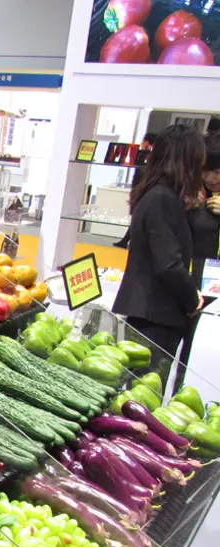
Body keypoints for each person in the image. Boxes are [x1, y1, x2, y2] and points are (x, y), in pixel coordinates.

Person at [112, 124, 205, 369]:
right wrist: (192, 298)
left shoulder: (160, 194)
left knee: (143, 390)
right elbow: (168, 264)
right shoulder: (162, 198)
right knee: (145, 391)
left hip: (153, 311)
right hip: (155, 313)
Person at [176, 133, 220, 386]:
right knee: (188, 349)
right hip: (195, 284)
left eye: (217, 171)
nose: (211, 178)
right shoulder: (192, 196)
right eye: (206, 171)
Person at [114, 132, 157, 249]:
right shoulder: (144, 156)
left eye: (143, 141)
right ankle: (126, 239)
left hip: (141, 190)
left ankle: (126, 239)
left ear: (147, 142)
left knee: (137, 216)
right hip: (139, 189)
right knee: (136, 216)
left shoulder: (148, 157)